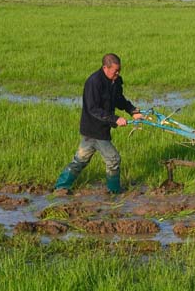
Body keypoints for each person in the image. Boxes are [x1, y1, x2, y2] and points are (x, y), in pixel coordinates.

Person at [54, 53, 143, 194]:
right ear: (105, 68)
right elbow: (93, 109)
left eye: (119, 70)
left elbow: (119, 99)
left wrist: (132, 110)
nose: (118, 73)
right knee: (113, 159)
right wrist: (115, 119)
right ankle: (114, 191)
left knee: (81, 159)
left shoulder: (116, 81)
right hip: (94, 128)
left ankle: (61, 186)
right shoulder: (94, 82)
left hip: (102, 128)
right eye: (115, 71)